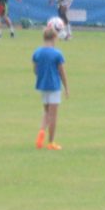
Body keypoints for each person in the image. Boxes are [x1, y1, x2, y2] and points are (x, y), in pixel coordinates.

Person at [31, 21, 67, 149]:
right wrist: (66, 88)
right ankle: (51, 142)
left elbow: (35, 70)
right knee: (53, 115)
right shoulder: (57, 54)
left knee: (46, 112)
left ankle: (41, 134)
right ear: (54, 38)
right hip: (54, 86)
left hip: (42, 85)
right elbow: (62, 72)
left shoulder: (37, 52)